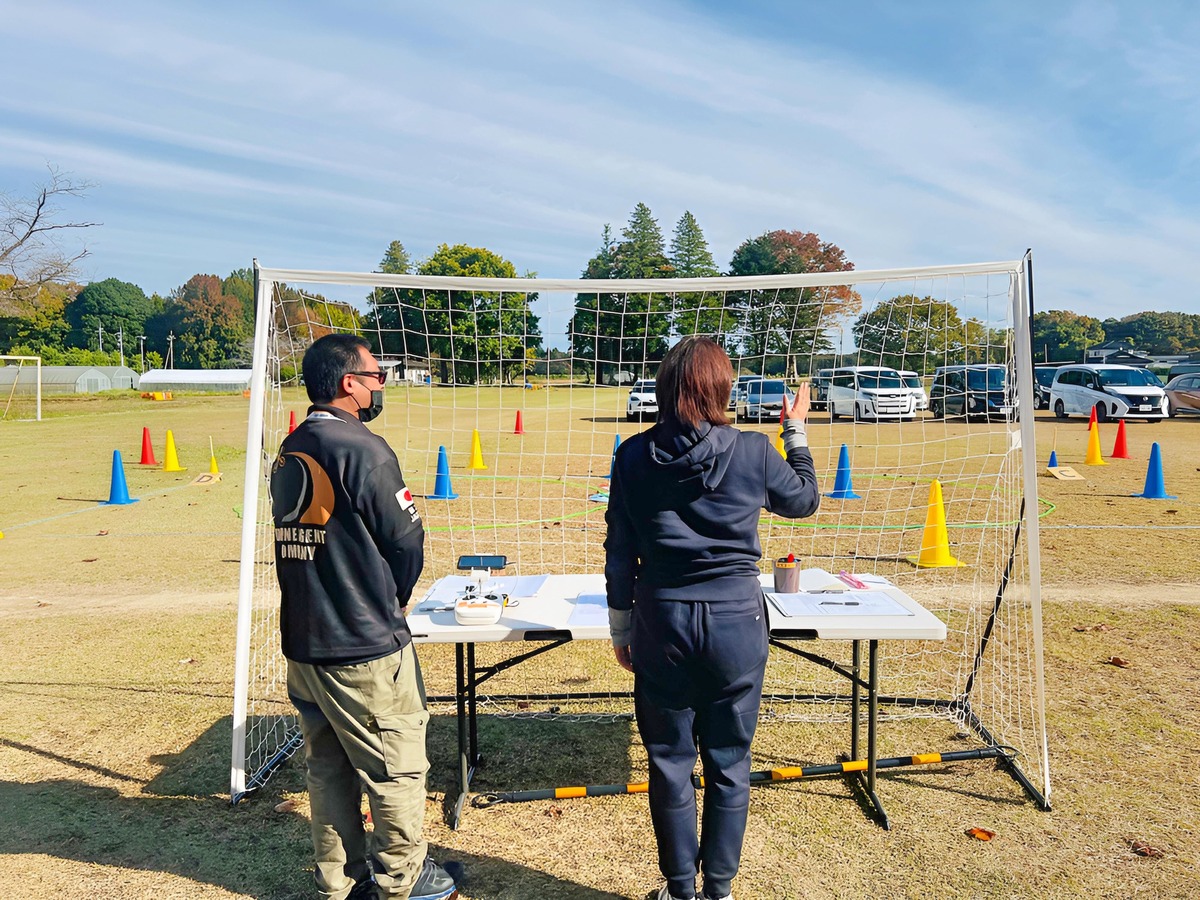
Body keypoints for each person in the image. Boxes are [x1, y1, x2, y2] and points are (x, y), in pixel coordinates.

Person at [604, 338, 820, 900]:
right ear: (722, 388)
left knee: (670, 762)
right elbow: (803, 501)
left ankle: (680, 889)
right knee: (730, 761)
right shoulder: (751, 450)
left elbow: (620, 547)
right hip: (735, 621)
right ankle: (718, 890)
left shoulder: (631, 454)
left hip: (662, 618)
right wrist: (794, 433)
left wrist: (621, 626)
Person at [271, 334, 458, 900]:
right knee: (395, 768)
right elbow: (406, 540)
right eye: (376, 376)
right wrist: (391, 601)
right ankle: (403, 879)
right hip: (361, 646)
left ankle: (339, 881)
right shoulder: (363, 448)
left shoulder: (291, 446)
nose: (381, 386)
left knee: (328, 770)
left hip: (306, 643)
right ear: (349, 383)